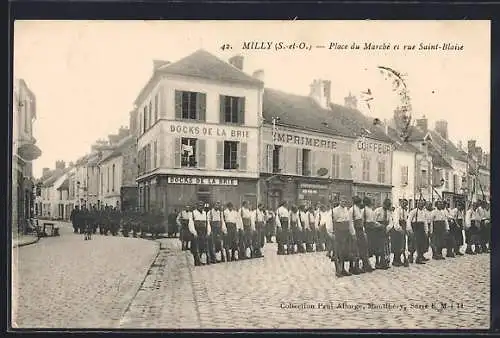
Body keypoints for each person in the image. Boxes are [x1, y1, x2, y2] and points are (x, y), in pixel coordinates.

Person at [331, 198, 356, 277]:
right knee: (338, 252)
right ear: (339, 201)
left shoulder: (347, 210)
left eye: (345, 201)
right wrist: (332, 233)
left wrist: (352, 233)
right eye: (342, 201)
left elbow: (349, 222)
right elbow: (333, 222)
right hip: (339, 233)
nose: (344, 203)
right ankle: (338, 271)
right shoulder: (335, 210)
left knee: (345, 252)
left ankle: (343, 269)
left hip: (346, 232)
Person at [349, 196, 372, 273]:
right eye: (359, 203)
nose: (360, 204)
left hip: (360, 230)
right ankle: (355, 267)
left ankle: (365, 265)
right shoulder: (352, 210)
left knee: (363, 248)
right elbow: (351, 222)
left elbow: (361, 221)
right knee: (355, 249)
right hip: (355, 231)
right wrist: (353, 233)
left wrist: (363, 231)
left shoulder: (359, 210)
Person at [188, 201, 212, 266]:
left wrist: (208, 232)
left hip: (203, 232)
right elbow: (191, 223)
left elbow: (207, 223)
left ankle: (199, 259)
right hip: (196, 231)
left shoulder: (205, 213)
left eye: (202, 205)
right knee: (195, 247)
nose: (201, 207)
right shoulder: (193, 213)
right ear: (197, 206)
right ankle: (197, 261)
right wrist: (194, 232)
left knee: (202, 247)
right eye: (199, 205)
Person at [373, 199, 394, 269]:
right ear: (383, 204)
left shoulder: (389, 212)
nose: (387, 207)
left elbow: (391, 222)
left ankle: (384, 262)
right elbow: (373, 220)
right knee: (378, 247)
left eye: (388, 205)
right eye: (386, 205)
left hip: (386, 231)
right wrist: (379, 225)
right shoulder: (377, 210)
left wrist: (388, 228)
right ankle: (377, 262)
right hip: (378, 230)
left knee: (386, 247)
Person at [407, 200, 429, 264]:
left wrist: (426, 230)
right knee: (413, 243)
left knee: (421, 243)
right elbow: (409, 220)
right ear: (417, 204)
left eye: (422, 204)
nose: (421, 205)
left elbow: (425, 222)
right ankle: (410, 256)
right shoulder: (413, 211)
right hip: (415, 228)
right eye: (420, 204)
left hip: (421, 229)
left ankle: (419, 257)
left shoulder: (424, 212)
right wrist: (410, 229)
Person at [392, 199, 411, 267]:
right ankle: (395, 260)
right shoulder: (397, 211)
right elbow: (396, 222)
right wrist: (400, 230)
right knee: (397, 245)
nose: (404, 205)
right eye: (403, 203)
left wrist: (406, 230)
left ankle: (399, 259)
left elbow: (406, 221)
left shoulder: (406, 211)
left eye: (406, 204)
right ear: (401, 203)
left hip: (403, 228)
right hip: (397, 230)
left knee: (402, 245)